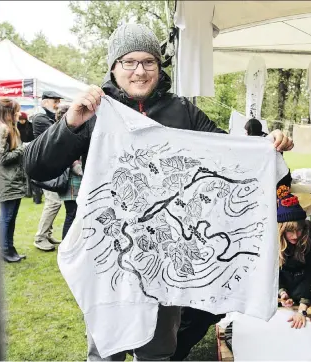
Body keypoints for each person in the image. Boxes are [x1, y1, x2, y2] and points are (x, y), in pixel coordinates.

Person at [24, 23, 294, 361]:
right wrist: (70, 125)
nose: (140, 71)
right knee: (105, 350)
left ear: (159, 66)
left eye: (149, 61)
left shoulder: (183, 112)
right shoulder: (96, 112)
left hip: (165, 258)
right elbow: (35, 167)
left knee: (158, 351)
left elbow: (230, 157)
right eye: (129, 62)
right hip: (109, 259)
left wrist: (269, 149)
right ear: (114, 66)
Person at [276, 186, 311, 329]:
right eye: (290, 231)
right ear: (281, 229)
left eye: (299, 230)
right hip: (282, 278)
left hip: (304, 280)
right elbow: (269, 270)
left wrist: (302, 309)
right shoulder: (271, 237)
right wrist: (281, 292)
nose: (295, 236)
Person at [0, 99, 27, 262]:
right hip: (6, 181)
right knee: (6, 218)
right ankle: (5, 251)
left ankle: (10, 249)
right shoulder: (2, 130)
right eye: (16, 111)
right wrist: (22, 150)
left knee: (10, 217)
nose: (19, 114)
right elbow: (0, 159)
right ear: (8, 113)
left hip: (13, 180)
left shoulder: (10, 129)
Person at [32, 91, 64, 251]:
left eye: (58, 101)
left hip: (51, 166)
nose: (57, 105)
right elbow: (58, 134)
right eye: (55, 101)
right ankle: (40, 237)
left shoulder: (49, 117)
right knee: (53, 202)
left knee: (54, 202)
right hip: (44, 167)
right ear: (45, 103)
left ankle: (47, 234)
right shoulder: (40, 118)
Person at [55, 105, 83, 238]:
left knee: (73, 215)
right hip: (72, 181)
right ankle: (66, 246)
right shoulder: (65, 134)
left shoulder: (60, 132)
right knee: (72, 215)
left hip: (72, 180)